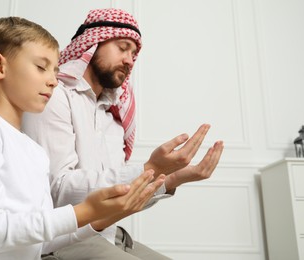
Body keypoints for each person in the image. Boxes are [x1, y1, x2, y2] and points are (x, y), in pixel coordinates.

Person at [0, 16, 166, 260]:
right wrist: (83, 211)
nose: (52, 81)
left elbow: (39, 244)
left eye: (55, 70)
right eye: (41, 67)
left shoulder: (35, 151)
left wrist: (98, 218)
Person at [22, 8, 224, 260]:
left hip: (111, 235)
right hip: (64, 238)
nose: (130, 60)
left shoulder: (115, 119)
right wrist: (147, 168)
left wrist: (170, 179)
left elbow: (120, 198)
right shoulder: (54, 97)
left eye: (134, 53)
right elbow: (59, 190)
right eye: (122, 47)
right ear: (93, 42)